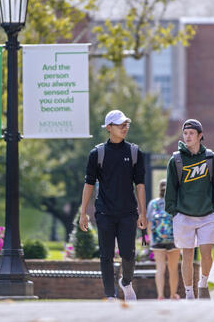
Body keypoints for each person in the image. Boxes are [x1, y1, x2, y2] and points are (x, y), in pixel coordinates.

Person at [79, 109, 147, 301]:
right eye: (120, 125)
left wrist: (143, 213)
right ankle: (109, 294)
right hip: (105, 212)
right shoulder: (97, 153)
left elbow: (140, 185)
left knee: (128, 254)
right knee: (106, 256)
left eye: (126, 124)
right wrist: (83, 213)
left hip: (128, 213)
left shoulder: (135, 153)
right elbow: (89, 184)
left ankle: (126, 282)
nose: (124, 128)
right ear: (109, 128)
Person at [165, 119, 214, 300]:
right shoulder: (176, 160)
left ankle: (203, 283)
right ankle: (190, 293)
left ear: (200, 136)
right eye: (185, 133)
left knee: (207, 254)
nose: (188, 136)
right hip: (183, 215)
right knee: (187, 256)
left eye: (192, 133)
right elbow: (171, 188)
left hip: (208, 215)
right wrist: (173, 211)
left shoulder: (210, 158)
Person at [147, 179, 180, 300]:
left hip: (158, 240)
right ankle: (173, 294)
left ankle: (160, 295)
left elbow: (149, 223)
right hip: (174, 240)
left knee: (160, 268)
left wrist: (152, 239)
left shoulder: (153, 204)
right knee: (173, 269)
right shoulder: (175, 202)